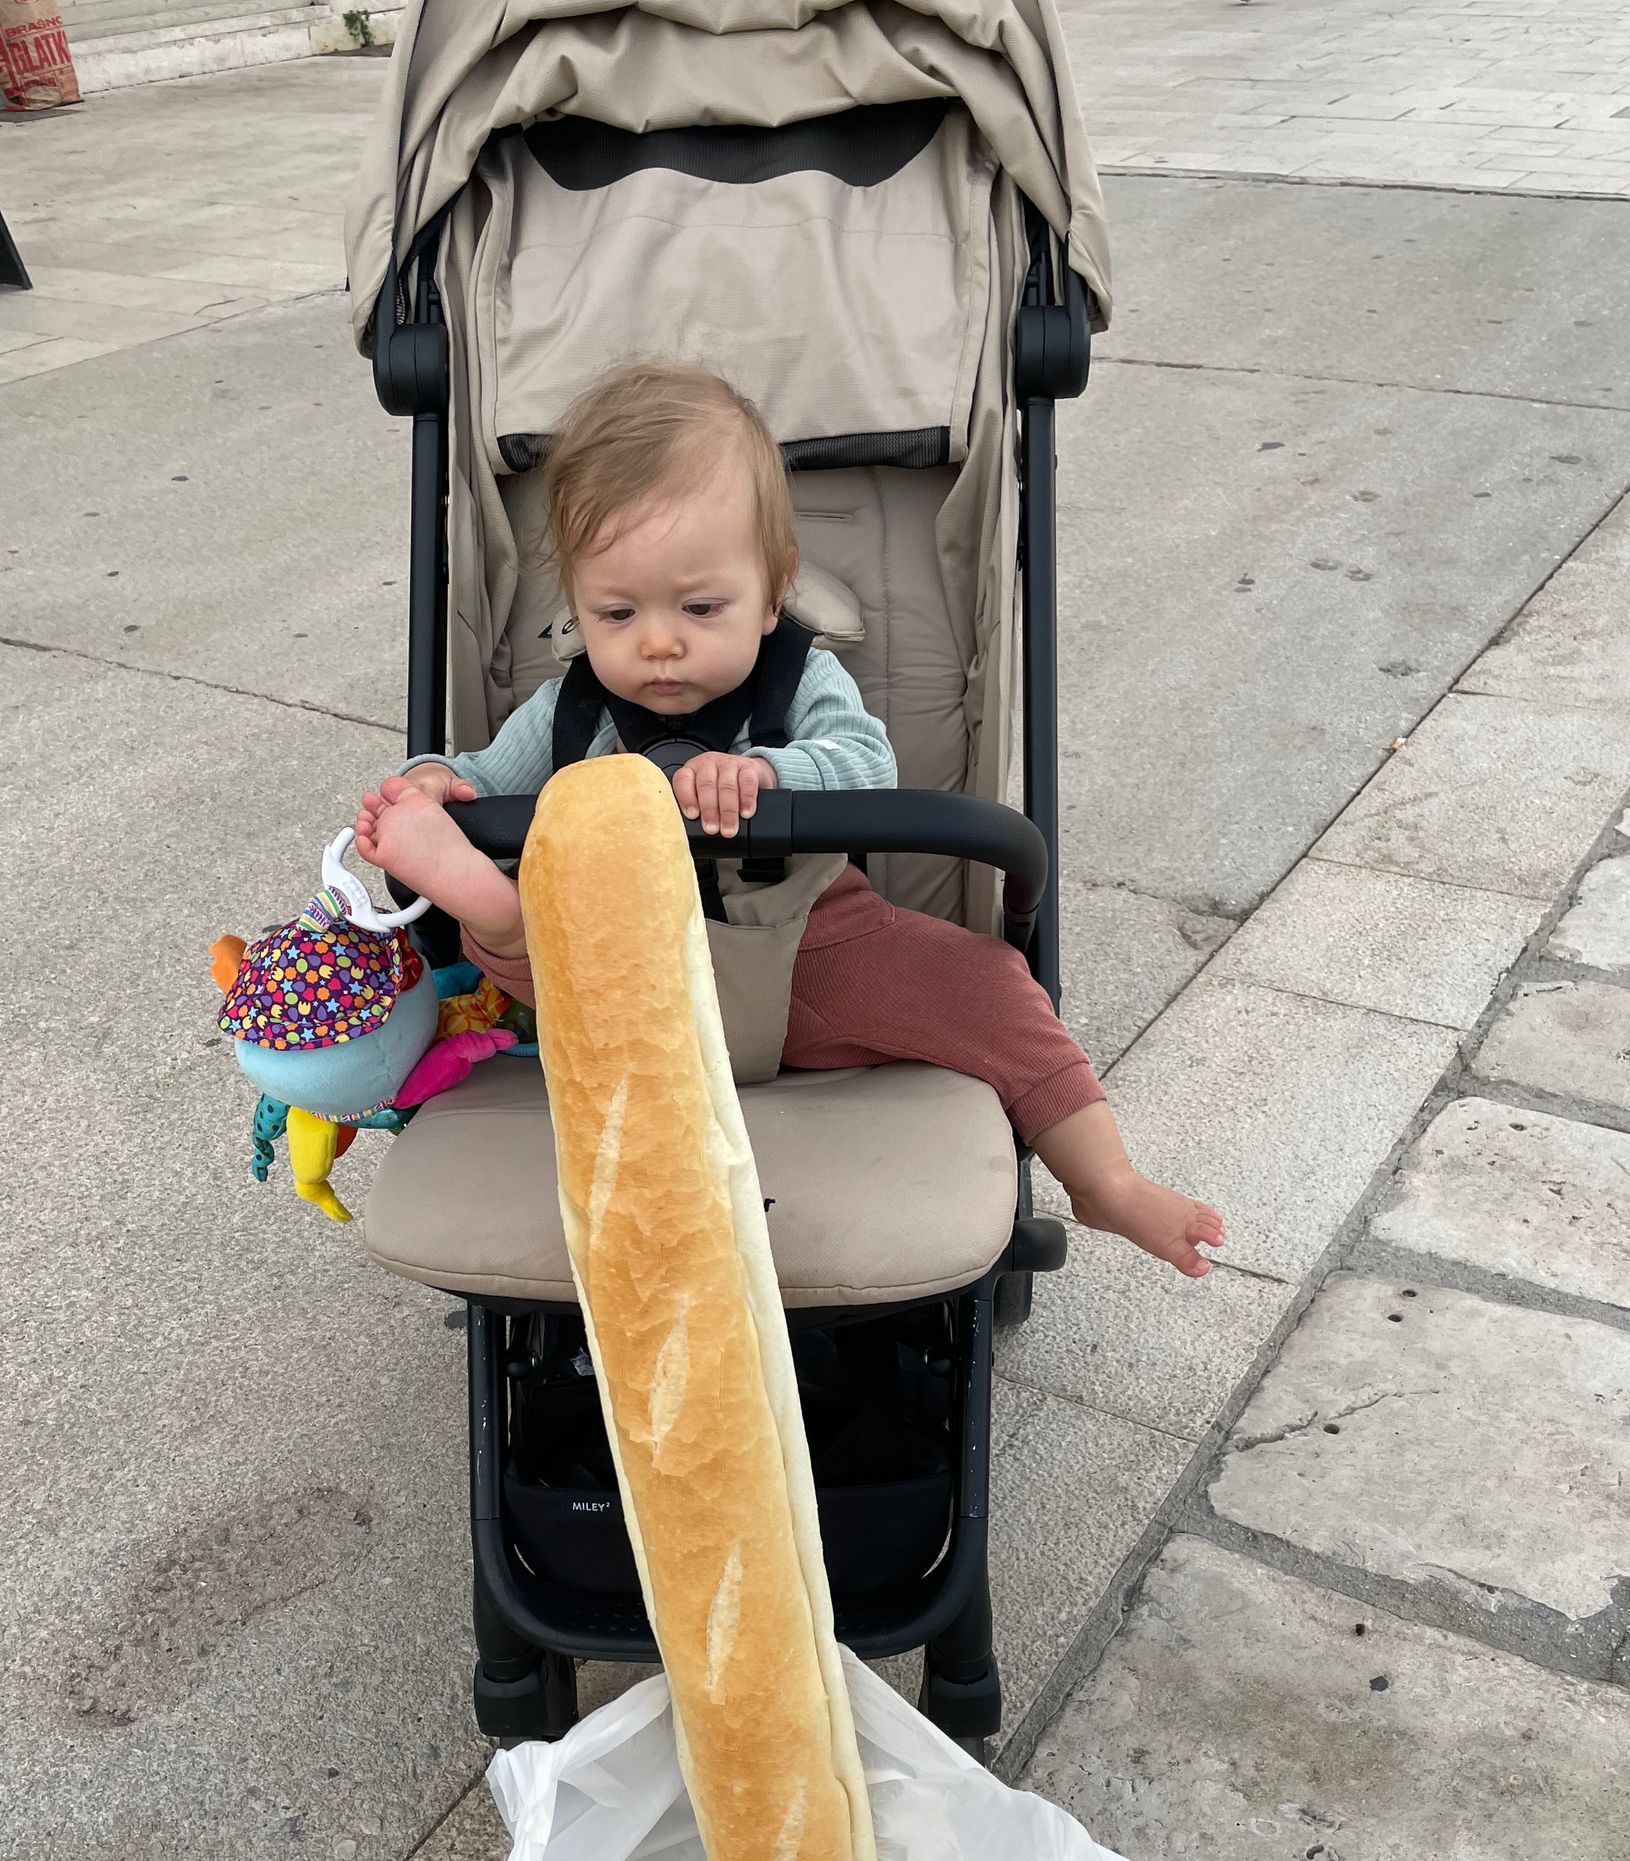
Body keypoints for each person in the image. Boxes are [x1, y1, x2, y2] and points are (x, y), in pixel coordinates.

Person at [358, 363, 1225, 1279]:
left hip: (812, 951)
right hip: (622, 989)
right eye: (616, 612)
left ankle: (1104, 1179)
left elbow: (868, 764)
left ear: (772, 594)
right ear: (577, 606)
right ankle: (493, 914)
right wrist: (429, 783)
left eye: (701, 608)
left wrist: (770, 773)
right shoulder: (568, 715)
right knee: (526, 913)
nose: (659, 641)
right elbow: (481, 782)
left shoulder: (802, 680)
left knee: (993, 987)